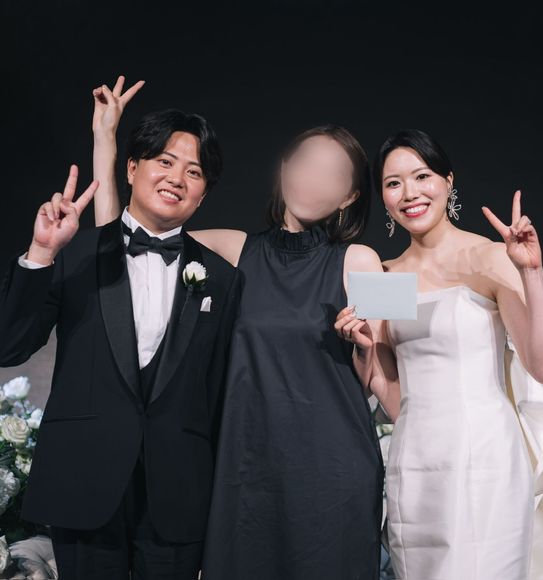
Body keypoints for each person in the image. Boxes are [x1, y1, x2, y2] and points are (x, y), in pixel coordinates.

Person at [92, 77, 385, 579]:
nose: (314, 179)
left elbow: (380, 378)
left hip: (333, 470)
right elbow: (124, 242)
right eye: (306, 163)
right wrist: (105, 144)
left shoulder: (364, 259)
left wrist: (362, 349)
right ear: (285, 169)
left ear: (349, 196)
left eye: (333, 173)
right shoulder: (232, 248)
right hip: (247, 468)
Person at [0, 98, 241, 579]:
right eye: (165, 162)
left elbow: (219, 393)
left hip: (178, 494)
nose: (177, 178)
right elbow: (10, 345)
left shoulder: (221, 278)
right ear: (132, 168)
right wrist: (41, 252)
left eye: (194, 172)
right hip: (83, 481)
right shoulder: (74, 253)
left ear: (203, 194)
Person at [335, 129, 543, 580]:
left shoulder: (489, 257)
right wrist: (362, 352)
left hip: (485, 459)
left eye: (422, 176)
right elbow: (390, 394)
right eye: (394, 183)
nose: (410, 193)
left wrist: (531, 272)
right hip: (414, 465)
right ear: (383, 197)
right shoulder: (386, 276)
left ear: (448, 181)